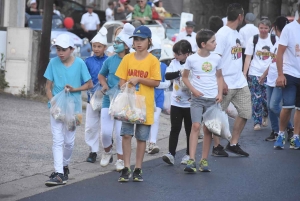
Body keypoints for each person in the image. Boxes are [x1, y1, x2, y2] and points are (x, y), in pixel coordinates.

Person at [44, 34, 93, 186]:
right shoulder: (53, 62)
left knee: (69, 142)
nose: (60, 52)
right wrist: (53, 102)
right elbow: (47, 87)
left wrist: (74, 89)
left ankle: (64, 166)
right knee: (57, 140)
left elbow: (89, 84)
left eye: (64, 49)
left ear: (72, 49)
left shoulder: (80, 63)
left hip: (74, 108)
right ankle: (59, 173)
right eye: (58, 49)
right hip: (57, 108)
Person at [115, 25, 161, 182]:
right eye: (136, 39)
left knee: (141, 138)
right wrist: (125, 85)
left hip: (145, 106)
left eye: (142, 39)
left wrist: (139, 79)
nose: (138, 42)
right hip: (128, 105)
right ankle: (126, 167)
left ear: (149, 41)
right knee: (126, 135)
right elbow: (121, 78)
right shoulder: (127, 58)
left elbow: (156, 82)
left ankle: (138, 168)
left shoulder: (153, 60)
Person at [182, 29, 223, 173]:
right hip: (197, 99)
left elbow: (219, 77)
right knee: (195, 126)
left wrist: (220, 93)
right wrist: (193, 90)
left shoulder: (217, 58)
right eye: (213, 41)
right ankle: (191, 159)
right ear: (203, 44)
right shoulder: (191, 59)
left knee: (208, 129)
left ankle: (204, 160)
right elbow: (185, 77)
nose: (215, 44)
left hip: (212, 100)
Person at [214, 3, 251, 157]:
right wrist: (221, 81)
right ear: (240, 16)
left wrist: (242, 74)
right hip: (226, 81)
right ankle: (216, 147)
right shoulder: (222, 34)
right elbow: (215, 60)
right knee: (218, 113)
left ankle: (233, 143)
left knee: (246, 111)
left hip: (239, 81)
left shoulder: (237, 33)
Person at [98, 23, 135, 171]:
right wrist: (104, 84)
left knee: (121, 133)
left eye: (119, 42)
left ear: (126, 45)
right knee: (106, 132)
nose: (115, 44)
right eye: (115, 41)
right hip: (109, 99)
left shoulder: (133, 60)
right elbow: (101, 75)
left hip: (125, 102)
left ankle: (120, 159)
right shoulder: (110, 60)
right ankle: (107, 152)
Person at [258, 16, 294, 142]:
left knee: (274, 105)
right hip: (271, 78)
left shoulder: (284, 42)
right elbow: (273, 61)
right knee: (269, 106)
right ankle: (274, 131)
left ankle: (289, 127)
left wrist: (281, 75)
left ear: (275, 27)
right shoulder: (277, 42)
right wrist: (264, 75)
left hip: (279, 78)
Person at [162, 40, 193, 165]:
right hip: (176, 102)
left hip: (190, 103)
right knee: (175, 128)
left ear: (187, 54)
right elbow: (167, 76)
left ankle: (188, 154)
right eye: (175, 53)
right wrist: (179, 72)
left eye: (178, 54)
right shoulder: (174, 63)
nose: (176, 56)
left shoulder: (193, 62)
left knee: (189, 130)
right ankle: (171, 153)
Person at [274, 2, 300, 150]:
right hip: (290, 73)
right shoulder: (289, 29)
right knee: (288, 105)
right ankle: (281, 134)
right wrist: (280, 74)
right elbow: (280, 53)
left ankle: (296, 137)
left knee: (299, 108)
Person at [243, 19, 273, 131]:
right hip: (254, 73)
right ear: (258, 28)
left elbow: (276, 58)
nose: (263, 30)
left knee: (266, 99)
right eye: (261, 28)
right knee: (256, 99)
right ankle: (257, 122)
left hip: (269, 74)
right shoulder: (254, 39)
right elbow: (248, 58)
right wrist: (244, 73)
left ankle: (265, 114)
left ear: (269, 28)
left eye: (265, 28)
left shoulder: (274, 39)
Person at [84, 27, 108, 164]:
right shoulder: (87, 61)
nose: (96, 48)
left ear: (104, 47)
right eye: (94, 46)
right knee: (91, 126)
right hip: (91, 98)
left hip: (106, 98)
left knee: (106, 127)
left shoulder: (109, 61)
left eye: (99, 46)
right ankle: (93, 151)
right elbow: (84, 78)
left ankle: (107, 150)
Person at [208, 16, 229, 157]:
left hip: (202, 86)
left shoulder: (204, 41)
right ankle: (216, 145)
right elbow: (219, 72)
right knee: (214, 115)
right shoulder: (220, 40)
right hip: (213, 84)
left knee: (208, 116)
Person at [147, 35, 171, 154]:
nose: (157, 55)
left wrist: (156, 84)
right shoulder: (146, 65)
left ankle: (152, 143)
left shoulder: (164, 66)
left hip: (159, 97)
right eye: (155, 52)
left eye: (159, 52)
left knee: (155, 119)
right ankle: (146, 142)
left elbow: (167, 83)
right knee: (146, 120)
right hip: (146, 97)